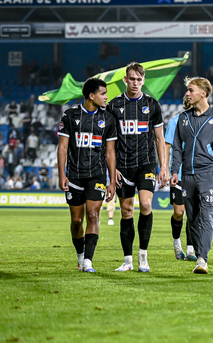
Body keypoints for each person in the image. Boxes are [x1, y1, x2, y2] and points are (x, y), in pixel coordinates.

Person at [106, 62, 168, 273]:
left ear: (143, 80)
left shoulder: (152, 105)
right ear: (125, 79)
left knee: (145, 204)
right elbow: (110, 143)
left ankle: (143, 256)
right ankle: (127, 260)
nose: (135, 83)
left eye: (139, 79)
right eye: (132, 79)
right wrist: (111, 169)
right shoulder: (113, 106)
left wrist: (164, 167)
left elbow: (160, 139)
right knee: (126, 210)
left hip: (146, 163)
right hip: (122, 166)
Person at [171, 77, 213, 274]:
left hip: (208, 174)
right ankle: (199, 254)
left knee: (206, 216)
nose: (187, 94)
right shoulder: (183, 118)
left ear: (203, 93)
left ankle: (202, 259)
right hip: (187, 175)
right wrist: (175, 171)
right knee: (193, 218)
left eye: (191, 90)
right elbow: (178, 149)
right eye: (187, 90)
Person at [57, 77, 117, 273]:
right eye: (103, 93)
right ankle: (80, 257)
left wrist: (112, 181)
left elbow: (110, 152)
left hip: (97, 174)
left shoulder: (108, 119)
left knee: (93, 215)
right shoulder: (70, 115)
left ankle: (89, 261)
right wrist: (62, 175)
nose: (106, 97)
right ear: (91, 96)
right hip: (74, 175)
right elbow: (63, 147)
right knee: (76, 221)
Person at [165, 94, 197, 261]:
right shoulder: (175, 121)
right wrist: (165, 169)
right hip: (179, 173)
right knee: (179, 212)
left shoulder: (204, 122)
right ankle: (177, 244)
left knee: (192, 213)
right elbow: (167, 146)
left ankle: (191, 250)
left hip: (196, 172)